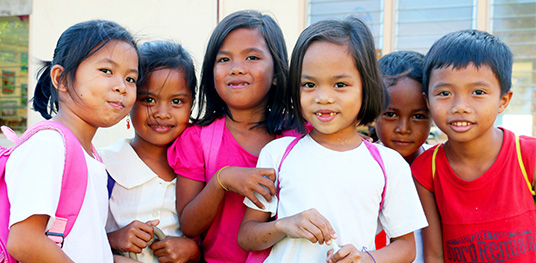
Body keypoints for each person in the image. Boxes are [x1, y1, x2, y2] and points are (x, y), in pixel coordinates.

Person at [237, 16, 428, 263]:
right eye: (309, 84)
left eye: (340, 84)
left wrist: (366, 259)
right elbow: (247, 235)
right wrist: (285, 225)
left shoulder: (388, 164)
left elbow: (406, 247)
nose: (323, 97)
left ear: (365, 87)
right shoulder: (277, 153)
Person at [167, 10, 295, 263]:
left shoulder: (299, 136)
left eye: (252, 57)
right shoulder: (196, 140)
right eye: (224, 59)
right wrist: (221, 181)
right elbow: (189, 226)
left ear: (278, 74)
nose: (237, 69)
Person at [5, 20, 138, 263]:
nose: (122, 87)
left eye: (131, 78)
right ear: (62, 79)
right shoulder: (49, 145)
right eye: (107, 71)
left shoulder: (90, 155)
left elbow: (81, 246)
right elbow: (24, 241)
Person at [411, 29, 536, 263]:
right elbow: (435, 254)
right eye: (445, 93)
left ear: (503, 100)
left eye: (478, 92)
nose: (460, 106)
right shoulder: (427, 170)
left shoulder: (528, 156)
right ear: (427, 100)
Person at [99, 40, 200, 263]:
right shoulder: (103, 165)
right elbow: (74, 239)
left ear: (191, 103)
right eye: (149, 100)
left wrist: (194, 251)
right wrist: (112, 239)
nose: (162, 113)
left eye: (176, 101)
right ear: (129, 99)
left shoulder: (201, 170)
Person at [374, 50, 431, 263]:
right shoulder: (360, 164)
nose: (403, 128)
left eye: (418, 116)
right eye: (390, 114)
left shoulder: (439, 168)